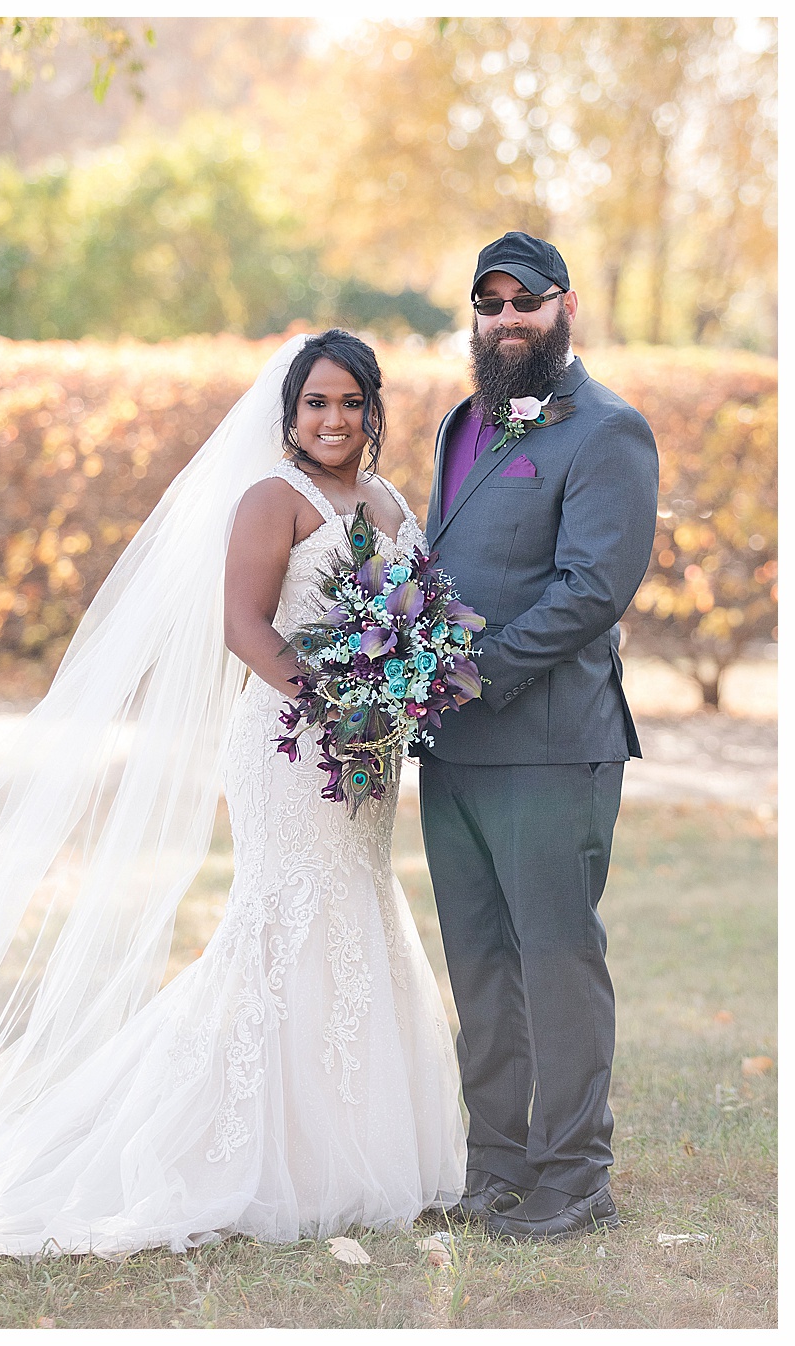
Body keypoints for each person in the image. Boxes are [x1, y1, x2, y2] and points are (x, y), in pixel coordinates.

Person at [0, 331, 465, 1258]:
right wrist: (335, 705)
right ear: (289, 413)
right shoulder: (269, 501)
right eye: (317, 403)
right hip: (293, 742)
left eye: (352, 403)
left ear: (374, 411)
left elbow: (409, 610)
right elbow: (243, 624)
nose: (335, 419)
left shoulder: (392, 500)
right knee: (285, 913)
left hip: (371, 747)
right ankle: (226, 1141)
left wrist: (395, 696)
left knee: (357, 904)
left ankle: (350, 1149)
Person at [420, 232, 657, 1240]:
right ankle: (499, 1167)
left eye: (528, 300)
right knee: (478, 960)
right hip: (451, 748)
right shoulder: (460, 422)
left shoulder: (608, 431)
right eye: (491, 302)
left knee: (554, 956)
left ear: (569, 308)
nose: (508, 318)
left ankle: (575, 1176)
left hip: (552, 741)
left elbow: (593, 588)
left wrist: (476, 672)